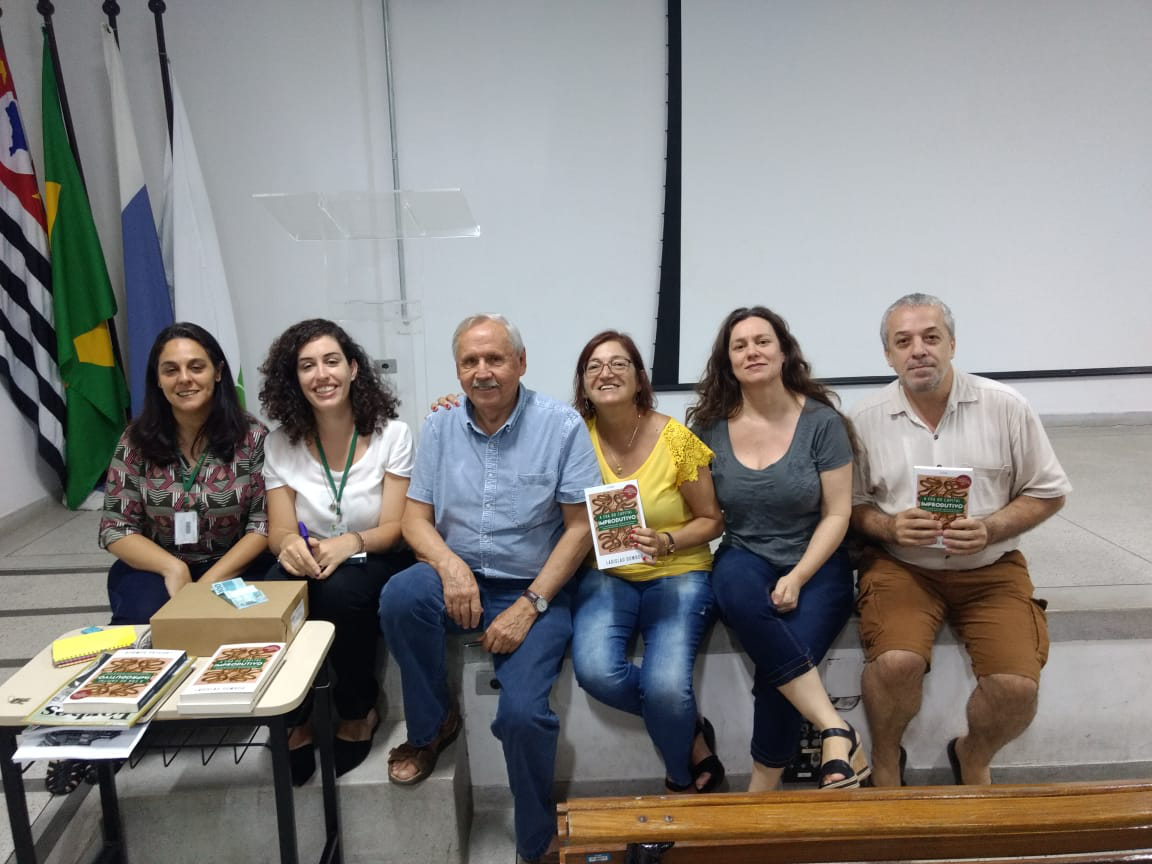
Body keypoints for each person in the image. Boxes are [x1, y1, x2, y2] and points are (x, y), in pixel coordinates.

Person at [379, 314, 599, 864]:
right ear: (457, 370)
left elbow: (580, 527)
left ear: (521, 363)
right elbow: (414, 520)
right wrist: (450, 568)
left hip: (534, 587)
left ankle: (534, 838)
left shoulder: (561, 426)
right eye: (470, 362)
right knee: (401, 594)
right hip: (457, 576)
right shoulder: (440, 427)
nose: (482, 372)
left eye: (495, 359)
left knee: (523, 715)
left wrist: (530, 605)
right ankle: (432, 727)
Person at [849, 293, 1070, 787]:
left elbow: (1049, 492)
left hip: (991, 569)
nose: (918, 350)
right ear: (888, 355)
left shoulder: (1007, 407)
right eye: (902, 341)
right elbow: (852, 506)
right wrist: (888, 527)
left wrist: (992, 527)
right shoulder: (863, 419)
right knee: (896, 663)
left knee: (1016, 687)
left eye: (930, 337)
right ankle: (886, 759)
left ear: (952, 343)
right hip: (903, 566)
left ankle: (972, 753)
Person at [687, 306, 870, 791]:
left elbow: (837, 514)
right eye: (739, 345)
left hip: (818, 561)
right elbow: (696, 506)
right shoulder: (703, 428)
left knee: (778, 667)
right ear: (727, 362)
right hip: (745, 553)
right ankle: (838, 728)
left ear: (784, 351)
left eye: (762, 341)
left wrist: (798, 576)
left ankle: (760, 792)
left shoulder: (824, 423)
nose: (752, 351)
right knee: (739, 596)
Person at [569, 331, 726, 794]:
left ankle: (680, 778)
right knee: (598, 673)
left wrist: (667, 539)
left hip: (677, 573)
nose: (606, 373)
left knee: (664, 687)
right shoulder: (572, 437)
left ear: (639, 379)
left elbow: (712, 520)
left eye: (619, 364)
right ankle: (690, 726)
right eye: (594, 366)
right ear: (582, 383)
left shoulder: (677, 438)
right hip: (608, 575)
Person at [259, 318, 414, 783]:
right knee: (277, 588)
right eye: (307, 366)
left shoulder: (393, 434)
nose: (321, 375)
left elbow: (397, 526)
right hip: (311, 554)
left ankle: (356, 710)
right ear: (294, 379)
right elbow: (279, 528)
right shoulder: (279, 443)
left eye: (331, 361)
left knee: (342, 594)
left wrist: (351, 543)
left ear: (352, 370)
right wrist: (289, 546)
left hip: (376, 553)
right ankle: (295, 719)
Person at [100, 322, 271, 625]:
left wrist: (206, 585)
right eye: (170, 370)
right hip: (157, 565)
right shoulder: (136, 440)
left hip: (237, 565)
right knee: (145, 625)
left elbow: (261, 526)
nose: (184, 379)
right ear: (158, 380)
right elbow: (116, 527)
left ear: (217, 373)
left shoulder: (252, 437)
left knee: (244, 632)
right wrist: (173, 568)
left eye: (196, 367)